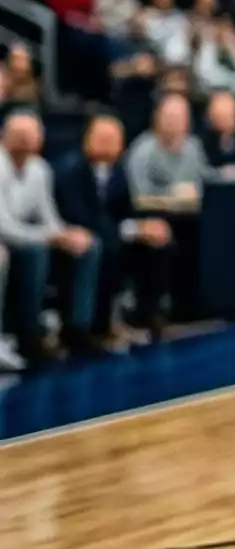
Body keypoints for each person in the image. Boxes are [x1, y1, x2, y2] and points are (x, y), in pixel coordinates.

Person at [56, 114, 169, 354]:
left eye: (113, 139)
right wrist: (131, 230)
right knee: (104, 247)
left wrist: (144, 227)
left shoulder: (118, 172)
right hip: (76, 236)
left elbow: (126, 210)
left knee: (157, 242)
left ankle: (145, 316)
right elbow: (78, 216)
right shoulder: (70, 170)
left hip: (111, 235)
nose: (108, 144)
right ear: (87, 140)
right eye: (102, 138)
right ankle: (88, 328)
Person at [0, 110, 93, 369]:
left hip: (22, 238)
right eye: (18, 136)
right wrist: (50, 237)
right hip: (7, 239)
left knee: (87, 245)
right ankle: (28, 335)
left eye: (29, 136)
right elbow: (4, 226)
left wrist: (64, 234)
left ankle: (78, 327)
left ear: (40, 139)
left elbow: (48, 216)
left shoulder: (40, 169)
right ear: (4, 137)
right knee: (34, 252)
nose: (24, 142)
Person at [123, 92, 207, 330]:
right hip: (151, 216)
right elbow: (138, 196)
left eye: (180, 117)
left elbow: (203, 182)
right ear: (156, 118)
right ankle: (150, 310)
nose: (174, 122)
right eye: (169, 116)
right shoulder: (143, 150)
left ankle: (192, 306)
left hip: (189, 216)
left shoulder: (193, 147)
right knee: (163, 235)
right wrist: (171, 198)